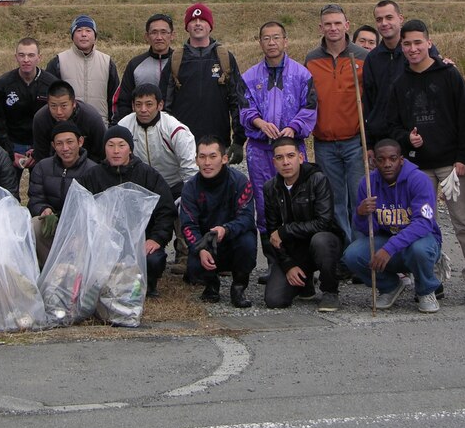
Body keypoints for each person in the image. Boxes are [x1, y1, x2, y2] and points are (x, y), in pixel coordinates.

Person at [387, 20, 465, 303]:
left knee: (463, 222)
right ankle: (430, 278)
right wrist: (407, 139)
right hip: (418, 168)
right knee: (423, 224)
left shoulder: (449, 75)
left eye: (418, 42)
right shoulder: (400, 83)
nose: (413, 48)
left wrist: (463, 157)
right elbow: (391, 127)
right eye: (407, 44)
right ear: (402, 47)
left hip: (451, 164)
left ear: (429, 43)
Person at [343, 138, 444, 313]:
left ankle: (426, 290)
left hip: (419, 241)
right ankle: (390, 286)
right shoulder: (367, 184)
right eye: (381, 160)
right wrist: (360, 213)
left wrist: (389, 249)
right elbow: (368, 231)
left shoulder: (419, 180)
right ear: (374, 162)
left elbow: (423, 223)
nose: (387, 164)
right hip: (387, 238)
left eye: (393, 158)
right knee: (352, 255)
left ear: (401, 160)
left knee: (420, 250)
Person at [239, 21, 316, 248]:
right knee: (264, 201)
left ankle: (299, 256)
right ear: (260, 42)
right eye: (266, 38)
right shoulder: (250, 76)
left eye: (276, 37)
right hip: (260, 149)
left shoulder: (302, 75)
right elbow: (244, 107)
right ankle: (273, 261)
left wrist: (293, 126)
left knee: (298, 198)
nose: (271, 43)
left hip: (292, 147)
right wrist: (259, 122)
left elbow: (310, 108)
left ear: (285, 40)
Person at [83, 126, 177, 297]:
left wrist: (156, 238)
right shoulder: (92, 176)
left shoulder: (148, 175)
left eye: (121, 145)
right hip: (104, 242)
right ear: (104, 149)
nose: (116, 151)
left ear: (130, 149)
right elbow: (82, 209)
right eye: (110, 145)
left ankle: (148, 284)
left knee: (153, 260)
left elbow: (166, 210)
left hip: (140, 241)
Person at [304, 3, 367, 244]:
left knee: (359, 198)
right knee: (335, 201)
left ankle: (361, 252)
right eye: (328, 24)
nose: (333, 28)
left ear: (346, 25)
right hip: (325, 144)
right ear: (321, 27)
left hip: (354, 141)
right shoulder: (312, 59)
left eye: (337, 23)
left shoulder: (362, 57)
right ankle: (346, 250)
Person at [117, 83, 197, 267]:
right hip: (141, 184)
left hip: (173, 183)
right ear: (132, 106)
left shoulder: (176, 130)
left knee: (185, 205)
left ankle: (184, 252)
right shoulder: (124, 126)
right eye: (138, 104)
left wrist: (186, 197)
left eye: (149, 104)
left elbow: (191, 170)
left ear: (160, 105)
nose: (143, 109)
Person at [263, 137, 343, 312]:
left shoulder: (318, 180)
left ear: (300, 158)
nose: (286, 162)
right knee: (274, 300)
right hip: (295, 249)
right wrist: (288, 265)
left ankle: (330, 291)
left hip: (323, 242)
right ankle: (304, 282)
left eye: (290, 156)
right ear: (274, 162)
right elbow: (272, 232)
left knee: (321, 240)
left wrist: (285, 230)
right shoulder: (270, 188)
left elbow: (324, 223)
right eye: (280, 158)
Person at [179, 137, 257, 307]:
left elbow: (247, 218)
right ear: (196, 160)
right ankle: (211, 285)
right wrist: (199, 249)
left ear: (224, 159)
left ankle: (238, 287)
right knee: (194, 268)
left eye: (213, 156)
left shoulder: (240, 182)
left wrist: (225, 229)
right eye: (202, 157)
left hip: (233, 238)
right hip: (207, 243)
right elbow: (188, 225)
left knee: (248, 243)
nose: (207, 162)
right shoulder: (190, 188)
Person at [167, 3, 244, 165]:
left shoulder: (224, 57)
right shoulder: (176, 59)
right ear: (186, 26)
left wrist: (238, 140)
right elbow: (165, 104)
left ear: (210, 26)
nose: (197, 24)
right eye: (193, 20)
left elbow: (237, 101)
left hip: (218, 141)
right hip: (183, 142)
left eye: (202, 20)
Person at [362, 0, 442, 149]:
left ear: (400, 18)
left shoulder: (419, 51)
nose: (384, 23)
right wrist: (369, 144)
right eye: (379, 20)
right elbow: (368, 103)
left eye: (389, 17)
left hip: (416, 134)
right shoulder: (372, 59)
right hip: (383, 139)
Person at [27, 121, 98, 269]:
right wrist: (43, 209)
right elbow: (35, 198)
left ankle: (78, 272)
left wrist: (76, 225)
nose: (65, 148)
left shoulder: (93, 171)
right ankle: (48, 269)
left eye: (70, 142)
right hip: (52, 221)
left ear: (80, 142)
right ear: (53, 145)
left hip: (79, 225)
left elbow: (96, 208)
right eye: (59, 143)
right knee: (35, 225)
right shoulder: (42, 167)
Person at [0, 37, 58, 185]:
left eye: (31, 55)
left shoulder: (52, 84)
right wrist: (9, 152)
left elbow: (57, 119)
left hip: (42, 145)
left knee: (42, 190)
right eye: (22, 55)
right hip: (12, 143)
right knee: (7, 191)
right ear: (16, 57)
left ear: (39, 57)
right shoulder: (2, 85)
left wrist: (39, 150)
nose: (26, 59)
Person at [45, 14, 119, 126]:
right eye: (79, 30)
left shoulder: (107, 62)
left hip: (99, 125)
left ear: (95, 36)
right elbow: (49, 98)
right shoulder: (58, 62)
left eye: (88, 30)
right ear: (72, 35)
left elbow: (114, 99)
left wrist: (113, 125)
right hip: (67, 127)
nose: (84, 34)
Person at [114, 13, 176, 122]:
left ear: (172, 35)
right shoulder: (135, 64)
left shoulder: (181, 62)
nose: (159, 37)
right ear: (147, 36)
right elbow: (124, 102)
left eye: (164, 32)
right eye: (154, 32)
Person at [31, 80, 106, 164]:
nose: (59, 112)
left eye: (64, 106)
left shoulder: (91, 118)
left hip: (87, 167)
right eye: (53, 106)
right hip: (53, 168)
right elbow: (41, 156)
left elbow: (100, 154)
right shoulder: (41, 119)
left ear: (73, 103)